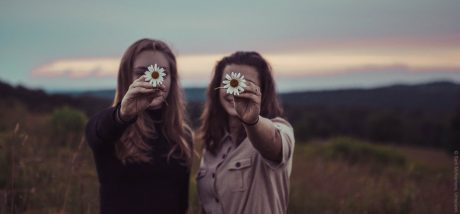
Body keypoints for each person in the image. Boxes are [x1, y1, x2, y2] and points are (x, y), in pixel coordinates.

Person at [85, 38, 193, 214]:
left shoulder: (182, 135)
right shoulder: (113, 126)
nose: (153, 80)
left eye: (162, 73)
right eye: (142, 72)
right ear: (126, 77)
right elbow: (95, 133)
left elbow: (183, 204)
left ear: (173, 80)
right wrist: (123, 114)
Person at [197, 51, 295, 214]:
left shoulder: (280, 129)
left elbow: (273, 144)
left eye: (246, 84)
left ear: (262, 91)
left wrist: (252, 121)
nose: (235, 91)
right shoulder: (213, 142)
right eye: (230, 82)